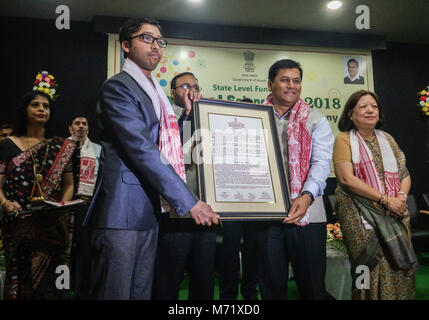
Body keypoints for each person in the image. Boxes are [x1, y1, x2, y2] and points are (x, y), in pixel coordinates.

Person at [84, 17, 219, 300]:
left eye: (160, 40)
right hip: (122, 211)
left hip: (148, 213)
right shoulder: (118, 88)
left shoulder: (155, 93)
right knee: (116, 293)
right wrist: (190, 201)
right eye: (146, 38)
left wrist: (192, 113)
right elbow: (142, 148)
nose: (156, 45)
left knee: (139, 293)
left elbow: (176, 145)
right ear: (125, 46)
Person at [256, 59, 334, 300]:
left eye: (296, 81)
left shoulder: (316, 119)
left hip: (308, 214)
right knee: (270, 286)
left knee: (312, 286)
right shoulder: (252, 117)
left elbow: (321, 163)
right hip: (265, 215)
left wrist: (307, 196)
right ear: (270, 84)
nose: (291, 85)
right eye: (284, 80)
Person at [333, 90, 418, 299]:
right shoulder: (344, 140)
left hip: (394, 212)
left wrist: (400, 199)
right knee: (366, 264)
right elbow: (346, 179)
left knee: (398, 262)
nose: (370, 110)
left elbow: (404, 175)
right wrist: (385, 200)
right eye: (363, 107)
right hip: (359, 215)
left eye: (374, 106)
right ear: (351, 114)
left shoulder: (388, 139)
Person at [0, 73, 78, 299]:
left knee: (52, 283)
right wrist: (5, 203)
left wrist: (61, 206)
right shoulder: (7, 145)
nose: (41, 108)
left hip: (52, 225)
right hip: (18, 222)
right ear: (24, 110)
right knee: (20, 280)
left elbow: (69, 183)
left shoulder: (61, 147)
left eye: (45, 105)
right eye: (35, 104)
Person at [153, 72, 217, 300]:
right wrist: (190, 116)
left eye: (196, 86)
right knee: (167, 282)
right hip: (175, 217)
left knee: (203, 283)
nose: (192, 91)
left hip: (206, 215)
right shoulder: (163, 118)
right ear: (172, 93)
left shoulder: (209, 119)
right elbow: (188, 155)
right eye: (185, 86)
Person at [219, 96, 259, 300]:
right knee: (229, 251)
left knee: (253, 250)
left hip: (256, 205)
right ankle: (228, 295)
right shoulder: (222, 140)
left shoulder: (261, 140)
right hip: (229, 204)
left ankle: (250, 294)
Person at [67, 114, 101, 299]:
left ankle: (81, 292)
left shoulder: (98, 150)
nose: (81, 126)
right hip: (63, 208)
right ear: (70, 128)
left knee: (84, 253)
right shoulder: (60, 149)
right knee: (64, 252)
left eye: (84, 124)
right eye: (77, 123)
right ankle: (62, 289)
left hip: (87, 208)